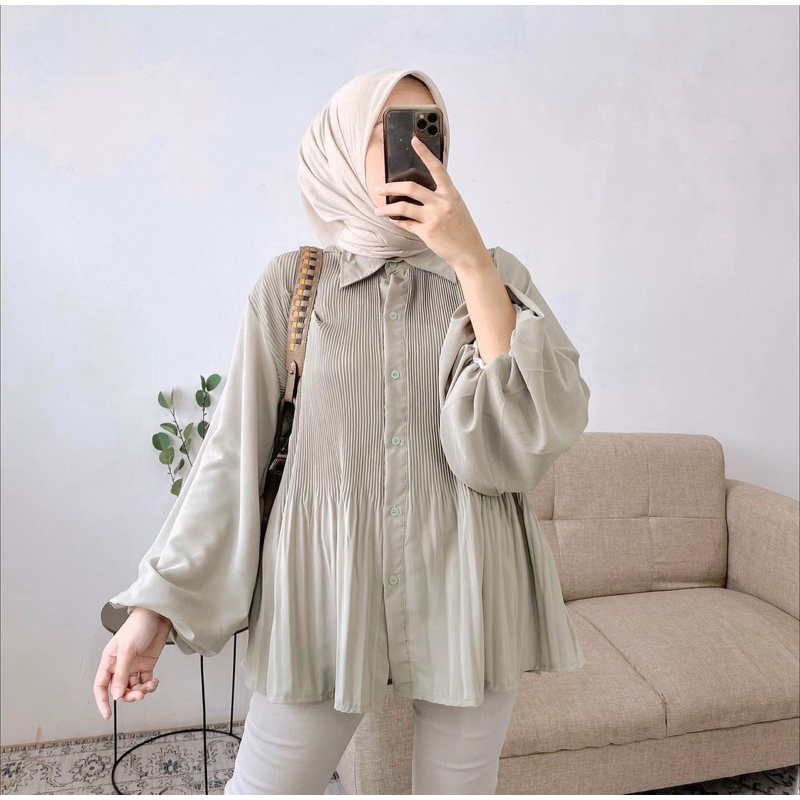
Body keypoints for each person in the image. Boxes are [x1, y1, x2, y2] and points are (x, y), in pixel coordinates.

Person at [93, 67, 591, 795]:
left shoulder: (491, 275)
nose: (415, 150)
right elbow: (232, 455)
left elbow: (523, 438)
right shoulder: (293, 287)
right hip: (321, 590)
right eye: (389, 131)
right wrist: (155, 611)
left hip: (472, 582)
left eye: (430, 129)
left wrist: (470, 261)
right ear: (340, 148)